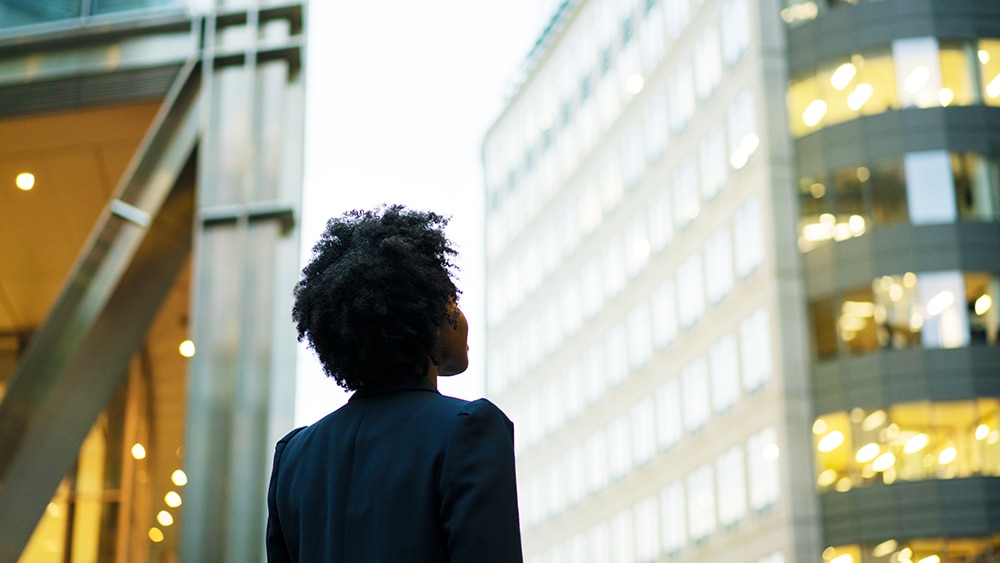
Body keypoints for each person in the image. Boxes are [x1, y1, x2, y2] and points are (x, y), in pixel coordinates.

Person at [266, 205, 523, 562]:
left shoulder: (294, 456)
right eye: (452, 299)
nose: (462, 317)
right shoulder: (468, 430)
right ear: (426, 313)